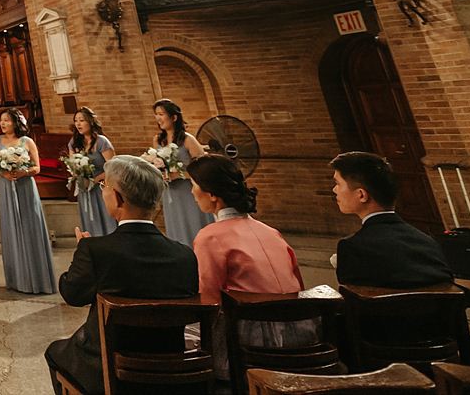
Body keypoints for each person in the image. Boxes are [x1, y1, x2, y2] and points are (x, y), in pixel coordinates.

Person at [45, 156, 200, 395]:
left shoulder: (96, 250)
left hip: (108, 368)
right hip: (173, 367)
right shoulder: (185, 255)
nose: (103, 192)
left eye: (104, 186)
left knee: (55, 351)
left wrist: (82, 253)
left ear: (118, 197)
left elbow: (72, 294)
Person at [188, 154, 309, 381]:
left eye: (193, 185)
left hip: (251, 340)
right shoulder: (270, 231)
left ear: (212, 195)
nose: (191, 193)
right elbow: (299, 284)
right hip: (302, 328)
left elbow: (209, 301)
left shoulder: (210, 237)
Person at [330, 151, 452, 288]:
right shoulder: (427, 242)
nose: (334, 190)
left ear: (361, 195)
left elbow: (356, 303)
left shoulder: (353, 248)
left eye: (338, 183)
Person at [0, 107, 56, 295]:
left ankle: (37, 277)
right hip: (6, 187)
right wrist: (3, 172)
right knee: (10, 227)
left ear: (16, 122)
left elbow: (37, 167)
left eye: (7, 120)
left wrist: (22, 172)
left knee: (30, 226)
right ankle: (16, 279)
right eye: (1, 120)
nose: (3, 124)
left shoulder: (27, 142)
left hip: (25, 186)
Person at [153, 98, 212, 247]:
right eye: (156, 114)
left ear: (174, 117)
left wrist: (178, 174)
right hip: (170, 193)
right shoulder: (158, 140)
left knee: (194, 224)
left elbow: (203, 168)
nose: (158, 118)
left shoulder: (187, 139)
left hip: (189, 191)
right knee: (176, 225)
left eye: (161, 113)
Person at [68, 107, 117, 237]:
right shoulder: (74, 143)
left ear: (90, 122)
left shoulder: (101, 141)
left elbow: (112, 167)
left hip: (102, 188)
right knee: (90, 223)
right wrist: (78, 175)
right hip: (84, 190)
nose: (78, 124)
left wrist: (94, 180)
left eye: (82, 120)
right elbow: (73, 166)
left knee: (107, 221)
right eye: (76, 120)